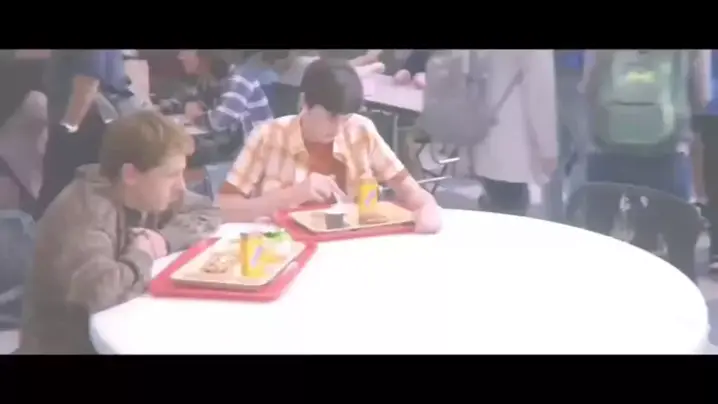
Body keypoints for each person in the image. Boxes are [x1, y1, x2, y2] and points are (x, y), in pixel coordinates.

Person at [17, 111, 221, 354]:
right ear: (130, 174)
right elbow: (99, 292)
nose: (181, 187)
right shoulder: (85, 211)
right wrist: (142, 253)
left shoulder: (145, 193)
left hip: (124, 331)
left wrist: (162, 240)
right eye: (171, 175)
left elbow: (208, 211)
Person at [217, 58, 442, 233]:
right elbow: (225, 208)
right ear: (306, 103)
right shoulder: (268, 136)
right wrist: (292, 195)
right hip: (285, 249)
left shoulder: (360, 130)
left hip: (353, 248)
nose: (339, 128)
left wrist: (427, 207)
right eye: (331, 117)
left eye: (345, 118)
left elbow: (410, 190)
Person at [580, 50, 711, 252]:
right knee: (680, 240)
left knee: (597, 233)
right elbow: (701, 97)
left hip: (608, 152)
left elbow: (589, 90)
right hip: (667, 152)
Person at [35, 50, 134, 220]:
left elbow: (87, 84)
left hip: (88, 125)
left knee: (57, 196)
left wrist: (69, 127)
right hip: (100, 122)